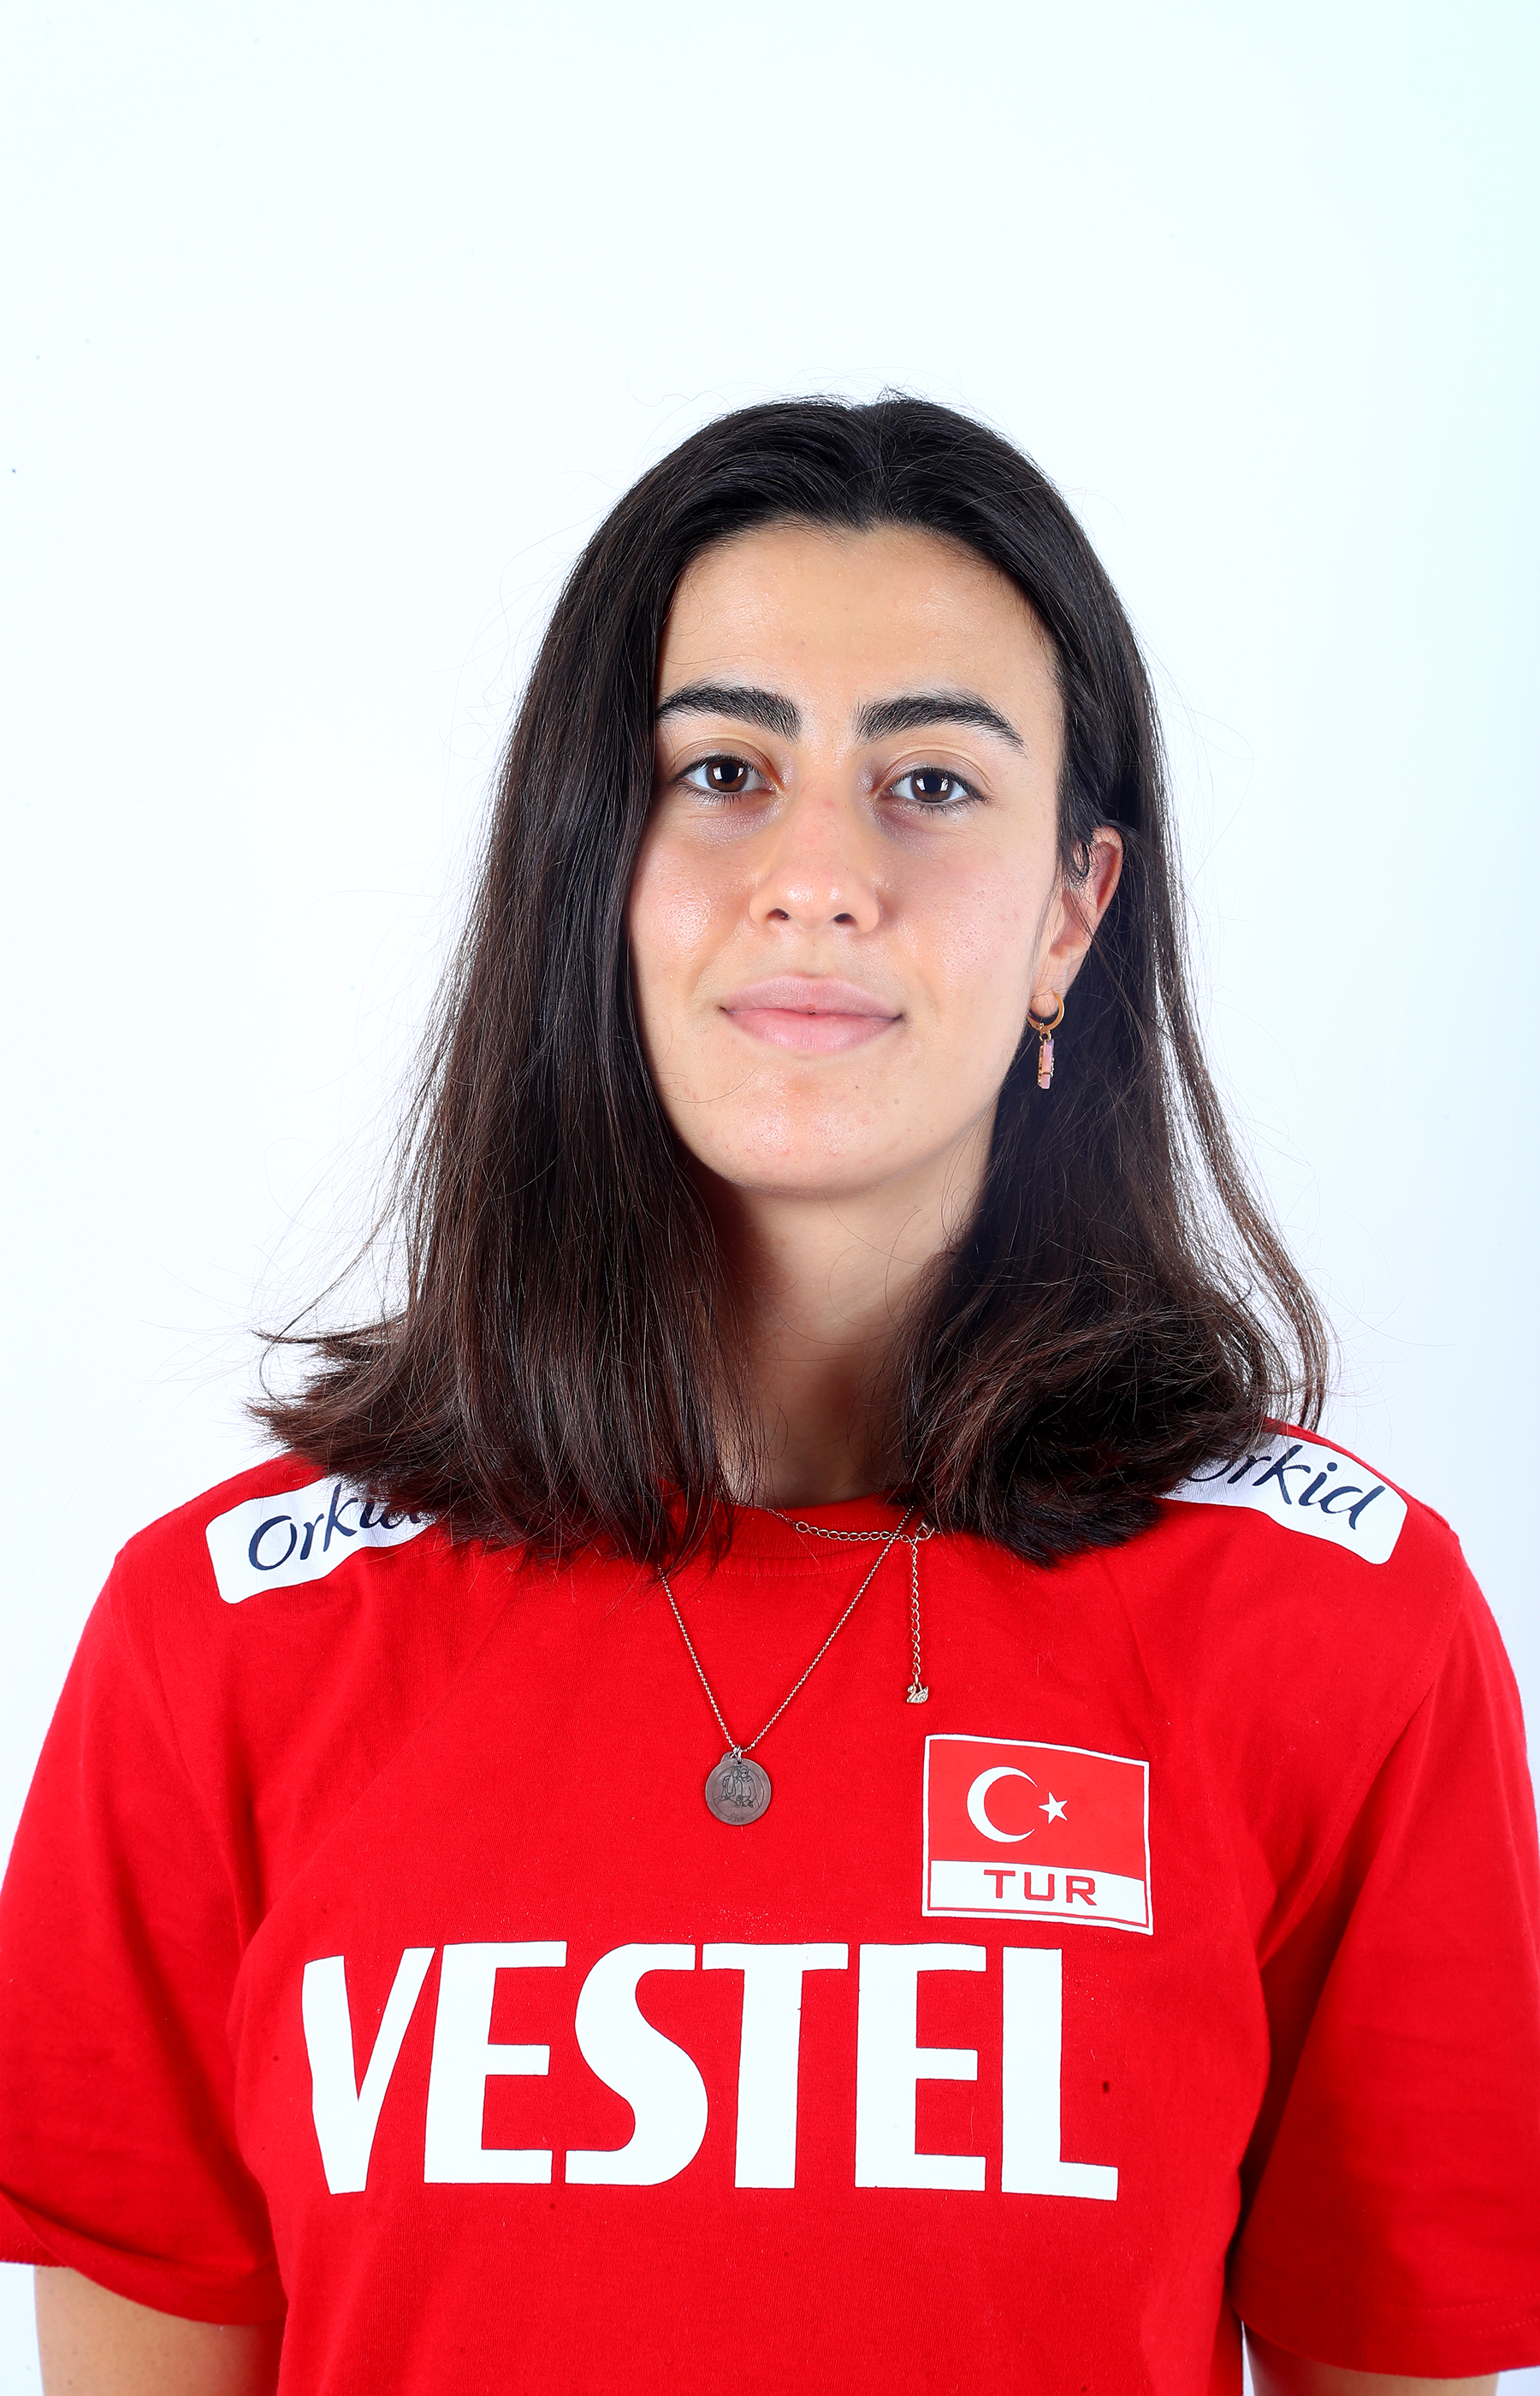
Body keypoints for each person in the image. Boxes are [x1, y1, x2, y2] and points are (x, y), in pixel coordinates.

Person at [2, 397, 1536, 2396]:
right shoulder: (221, 1646)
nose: (817, 876)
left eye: (930, 780)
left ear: (1075, 907)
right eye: (722, 770)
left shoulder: (1342, 1628)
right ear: (593, 867)